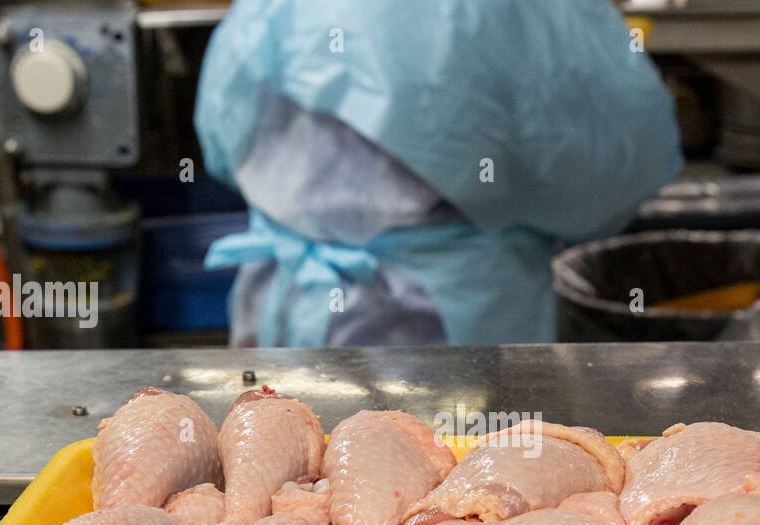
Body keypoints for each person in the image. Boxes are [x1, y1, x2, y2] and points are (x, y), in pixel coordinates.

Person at [194, 0, 682, 347]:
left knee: (284, 479)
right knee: (466, 482)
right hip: (449, 326)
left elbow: (222, 137)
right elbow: (612, 162)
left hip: (288, 311)